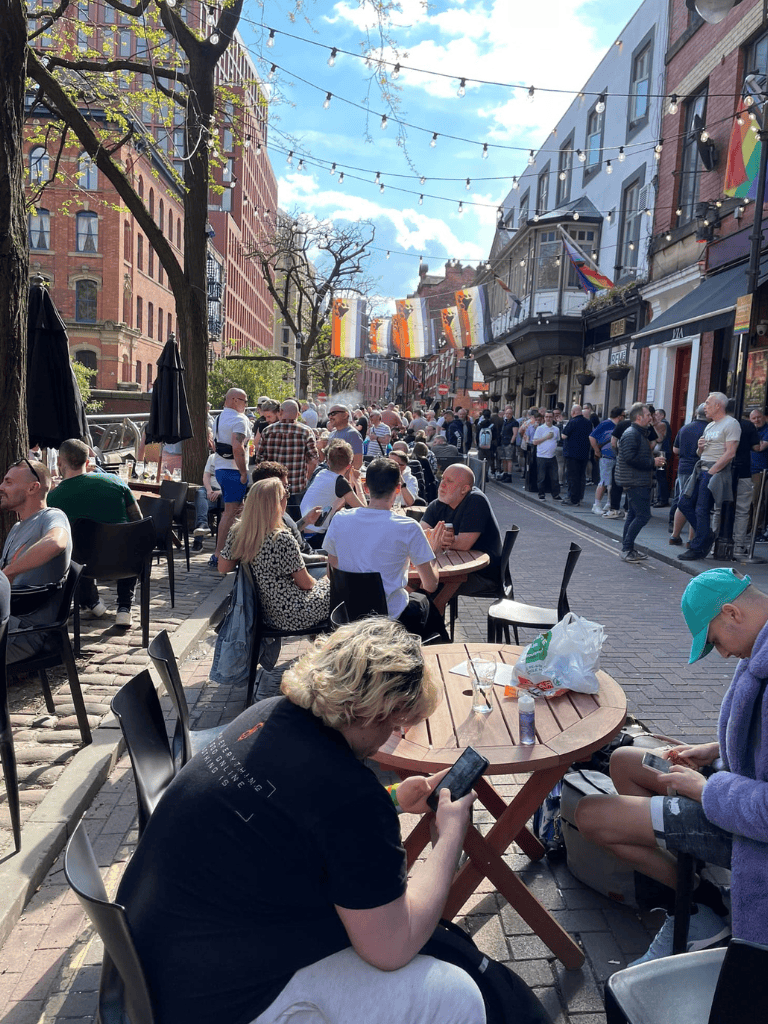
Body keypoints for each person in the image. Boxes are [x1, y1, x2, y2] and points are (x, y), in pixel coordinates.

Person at [117, 618, 483, 1024]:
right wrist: (450, 836)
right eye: (396, 724)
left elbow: (296, 814)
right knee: (457, 995)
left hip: (149, 965)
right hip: (214, 1002)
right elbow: (392, 947)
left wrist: (394, 798)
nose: (392, 738)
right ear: (373, 711)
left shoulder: (267, 713)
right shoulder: (350, 794)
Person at [576, 567, 768, 964]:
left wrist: (704, 789)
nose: (723, 653)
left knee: (591, 816)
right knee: (626, 761)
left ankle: (698, 907)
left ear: (732, 613)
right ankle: (692, 878)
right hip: (731, 791)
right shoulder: (759, 647)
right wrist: (713, 751)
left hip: (747, 826)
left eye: (714, 640)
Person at [324, 459, 449, 642]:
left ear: (366, 488)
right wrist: (434, 554)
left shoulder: (339, 519)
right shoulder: (408, 527)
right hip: (391, 620)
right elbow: (430, 585)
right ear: (398, 489)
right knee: (426, 605)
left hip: (347, 616)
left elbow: (331, 573)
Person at [46, 439, 141, 626]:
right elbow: (138, 520)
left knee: (74, 548)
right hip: (125, 562)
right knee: (130, 539)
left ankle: (92, 601)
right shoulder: (115, 481)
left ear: (59, 462)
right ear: (88, 462)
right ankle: (124, 607)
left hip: (84, 569)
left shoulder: (53, 497)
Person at [218, 478, 330, 631]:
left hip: (265, 613)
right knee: (338, 583)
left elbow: (223, 567)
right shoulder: (282, 538)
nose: (287, 500)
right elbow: (306, 584)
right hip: (293, 614)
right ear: (276, 504)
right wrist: (325, 580)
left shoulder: (239, 533)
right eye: (286, 495)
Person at [0, 459, 71, 663]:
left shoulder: (51, 516)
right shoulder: (17, 528)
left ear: (33, 488)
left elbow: (56, 542)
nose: (1, 487)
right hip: (9, 625)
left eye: (9, 482)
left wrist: (10, 572)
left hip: (23, 634)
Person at [677, 392, 741, 562]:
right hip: (700, 469)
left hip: (714, 471)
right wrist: (699, 448)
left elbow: (730, 453)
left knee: (701, 508)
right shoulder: (709, 426)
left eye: (707, 402)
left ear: (718, 405)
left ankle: (697, 548)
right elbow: (701, 453)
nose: (704, 406)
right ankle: (706, 535)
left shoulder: (731, 423)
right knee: (684, 503)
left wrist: (712, 471)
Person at [421, 463, 502, 596]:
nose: (442, 484)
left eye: (449, 481)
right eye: (442, 479)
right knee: (419, 583)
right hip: (452, 567)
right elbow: (419, 536)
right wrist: (437, 539)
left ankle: (432, 614)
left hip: (481, 574)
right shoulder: (437, 504)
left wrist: (436, 539)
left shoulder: (476, 501)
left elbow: (464, 544)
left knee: (428, 587)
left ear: (464, 489)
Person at [615, 404, 666, 563]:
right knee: (643, 516)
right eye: (648, 415)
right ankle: (626, 549)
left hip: (637, 479)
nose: (651, 417)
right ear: (639, 417)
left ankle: (628, 548)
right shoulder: (632, 434)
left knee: (633, 514)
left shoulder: (639, 433)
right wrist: (653, 461)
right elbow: (630, 458)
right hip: (635, 480)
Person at [255, 400, 319, 523]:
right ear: (297, 413)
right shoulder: (306, 431)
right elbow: (313, 459)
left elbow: (260, 460)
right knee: (296, 522)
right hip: (296, 486)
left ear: (281, 412)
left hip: (272, 487)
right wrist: (307, 477)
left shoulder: (267, 431)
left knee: (271, 522)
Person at [212, 388, 251, 569]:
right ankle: (220, 554)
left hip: (220, 468)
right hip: (233, 470)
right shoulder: (239, 419)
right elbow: (237, 447)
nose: (246, 405)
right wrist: (243, 472)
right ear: (235, 400)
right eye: (244, 401)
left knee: (235, 512)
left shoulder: (218, 418)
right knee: (231, 512)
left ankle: (230, 552)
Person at [300, 440, 365, 544]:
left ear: (328, 462)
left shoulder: (321, 473)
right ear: (349, 466)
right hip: (315, 537)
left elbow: (337, 501)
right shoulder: (339, 482)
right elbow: (365, 511)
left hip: (303, 531)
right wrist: (357, 483)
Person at [669, 404, 709, 546]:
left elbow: (675, 450)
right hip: (698, 469)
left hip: (683, 468)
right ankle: (691, 540)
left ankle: (675, 536)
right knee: (696, 503)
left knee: (683, 501)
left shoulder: (684, 428)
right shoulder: (709, 429)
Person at [589, 407, 625, 515]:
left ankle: (609, 504)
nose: (625, 418)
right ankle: (596, 505)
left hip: (616, 457)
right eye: (624, 416)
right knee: (604, 481)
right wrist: (596, 450)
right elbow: (592, 436)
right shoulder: (605, 424)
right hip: (607, 457)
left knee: (612, 483)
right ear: (619, 416)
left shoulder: (619, 426)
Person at [561, 404, 593, 505]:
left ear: (573, 412)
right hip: (584, 454)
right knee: (581, 476)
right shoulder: (588, 423)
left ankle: (572, 498)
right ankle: (579, 497)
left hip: (572, 454)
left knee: (572, 477)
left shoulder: (572, 421)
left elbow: (564, 436)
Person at [192, 452, 223, 551]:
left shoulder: (234, 459)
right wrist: (209, 490)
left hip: (224, 493)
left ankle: (198, 541)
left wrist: (219, 492)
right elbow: (206, 476)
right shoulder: (212, 457)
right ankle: (202, 524)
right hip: (210, 491)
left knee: (200, 505)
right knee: (200, 493)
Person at [532, 410, 561, 501]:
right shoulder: (540, 429)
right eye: (546, 417)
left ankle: (555, 495)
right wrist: (546, 437)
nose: (548, 418)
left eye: (550, 417)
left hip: (552, 456)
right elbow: (535, 442)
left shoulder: (556, 429)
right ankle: (541, 494)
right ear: (544, 418)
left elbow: (558, 440)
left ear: (553, 418)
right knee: (541, 477)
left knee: (555, 477)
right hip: (541, 456)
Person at [326, 403, 364, 470]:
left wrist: (342, 477)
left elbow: (357, 463)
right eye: (329, 414)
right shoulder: (332, 434)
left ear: (345, 415)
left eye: (333, 414)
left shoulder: (353, 434)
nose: (330, 417)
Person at [749, 407, 768, 541]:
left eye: (759, 417)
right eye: (754, 418)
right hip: (749, 470)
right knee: (750, 502)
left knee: (758, 501)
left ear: (764, 417)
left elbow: (760, 447)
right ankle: (749, 528)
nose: (757, 420)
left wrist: (748, 443)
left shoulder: (766, 430)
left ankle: (757, 530)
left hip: (761, 471)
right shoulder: (752, 431)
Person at [652, 409, 673, 507]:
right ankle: (660, 498)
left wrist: (654, 423)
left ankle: (663, 499)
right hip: (662, 452)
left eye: (656, 415)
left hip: (662, 453)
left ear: (661, 415)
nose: (654, 417)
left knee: (660, 475)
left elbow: (658, 436)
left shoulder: (663, 424)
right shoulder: (664, 423)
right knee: (660, 475)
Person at [498, 406, 519, 483]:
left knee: (509, 460)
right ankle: (505, 473)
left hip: (509, 443)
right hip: (503, 442)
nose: (508, 415)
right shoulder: (505, 421)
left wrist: (511, 442)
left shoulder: (514, 422)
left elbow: (515, 434)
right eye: (506, 413)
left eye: (509, 413)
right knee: (504, 459)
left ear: (512, 414)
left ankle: (509, 476)